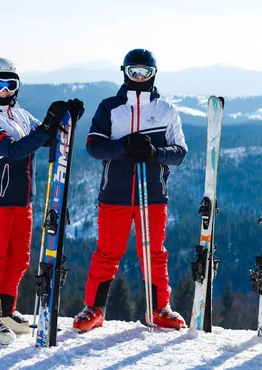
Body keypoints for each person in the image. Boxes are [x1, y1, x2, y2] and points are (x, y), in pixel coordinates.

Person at [72, 48, 188, 332]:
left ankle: (158, 309)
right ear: (124, 72)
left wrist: (155, 152)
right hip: (116, 194)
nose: (138, 77)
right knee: (107, 252)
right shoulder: (110, 107)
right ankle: (94, 309)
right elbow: (94, 146)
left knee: (154, 254)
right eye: (132, 71)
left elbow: (180, 152)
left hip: (153, 196)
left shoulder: (166, 110)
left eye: (144, 72)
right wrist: (122, 146)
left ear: (153, 74)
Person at [0, 57, 83, 345]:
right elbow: (14, 150)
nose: (5, 90)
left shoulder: (18, 114)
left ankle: (6, 313)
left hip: (22, 200)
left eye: (11, 84)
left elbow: (46, 138)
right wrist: (45, 127)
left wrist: (65, 119)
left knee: (19, 259)